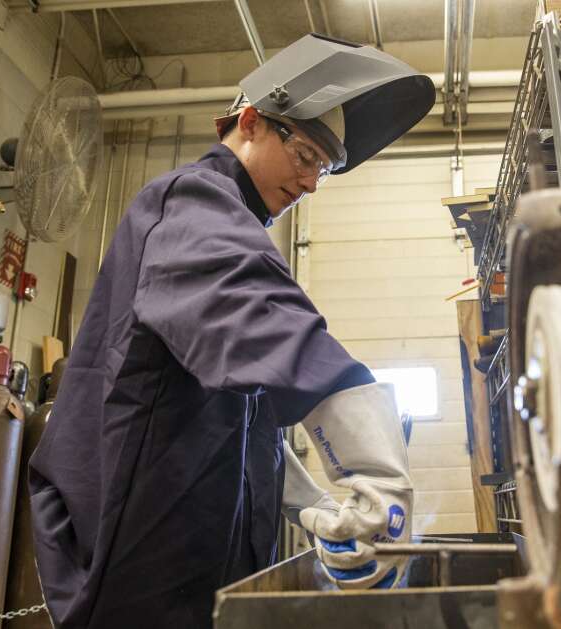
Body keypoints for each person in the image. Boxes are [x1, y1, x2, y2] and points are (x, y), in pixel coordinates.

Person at [28, 34, 435, 629]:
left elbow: (235, 409)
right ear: (250, 122)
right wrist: (372, 470)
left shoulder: (222, 223)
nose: (312, 183)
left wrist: (313, 504)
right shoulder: (188, 201)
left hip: (200, 573)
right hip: (149, 579)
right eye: (305, 157)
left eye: (325, 168)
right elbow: (267, 321)